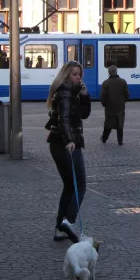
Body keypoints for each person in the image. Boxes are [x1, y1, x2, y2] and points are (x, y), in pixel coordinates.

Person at [45, 61, 91, 244]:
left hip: (59, 143)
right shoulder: (65, 94)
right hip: (67, 144)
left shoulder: (71, 92)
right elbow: (64, 120)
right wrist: (70, 140)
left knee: (70, 186)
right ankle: (68, 222)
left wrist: (85, 96)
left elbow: (83, 115)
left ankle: (59, 228)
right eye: (74, 74)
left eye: (79, 74)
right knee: (80, 185)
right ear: (66, 75)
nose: (78, 77)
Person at [100, 65, 129, 145]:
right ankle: (120, 141)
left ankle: (104, 138)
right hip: (120, 106)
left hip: (109, 107)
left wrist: (104, 104)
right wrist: (123, 102)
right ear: (116, 71)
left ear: (109, 73)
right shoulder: (123, 81)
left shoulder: (106, 83)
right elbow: (127, 94)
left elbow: (103, 96)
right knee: (120, 124)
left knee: (108, 124)